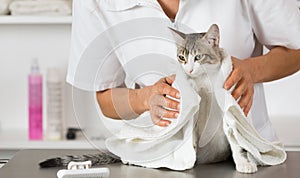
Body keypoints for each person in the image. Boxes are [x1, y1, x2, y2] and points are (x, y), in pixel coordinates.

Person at [66, 0, 300, 142]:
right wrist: (144, 98)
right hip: (161, 159)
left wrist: (250, 70)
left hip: (244, 156)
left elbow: (296, 48)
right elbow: (105, 98)